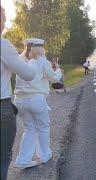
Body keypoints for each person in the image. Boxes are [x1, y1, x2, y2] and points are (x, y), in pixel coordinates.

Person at [13, 38, 62, 169]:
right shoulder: (43, 62)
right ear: (40, 48)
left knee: (29, 129)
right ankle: (44, 155)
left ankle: (23, 160)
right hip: (36, 100)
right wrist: (58, 69)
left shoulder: (19, 61)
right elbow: (55, 79)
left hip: (19, 100)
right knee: (43, 127)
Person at [1, 6, 35, 180]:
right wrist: (31, 60)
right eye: (3, 20)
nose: (5, 25)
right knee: (2, 157)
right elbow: (28, 74)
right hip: (2, 108)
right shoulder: (3, 45)